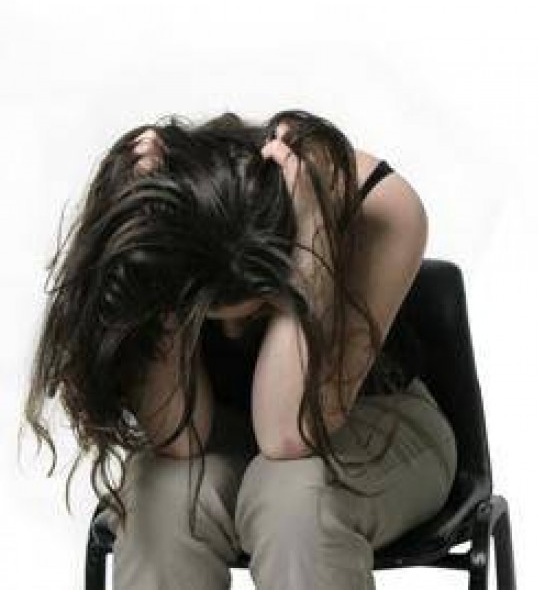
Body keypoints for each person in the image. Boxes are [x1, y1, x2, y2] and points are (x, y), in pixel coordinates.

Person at [20, 109, 457, 590]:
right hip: (219, 430)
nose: (231, 334)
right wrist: (152, 232)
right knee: (161, 499)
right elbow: (179, 439)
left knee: (296, 501)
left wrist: (310, 246)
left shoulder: (382, 202)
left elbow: (289, 435)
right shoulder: (191, 219)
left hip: (373, 420)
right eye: (212, 318)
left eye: (256, 312)